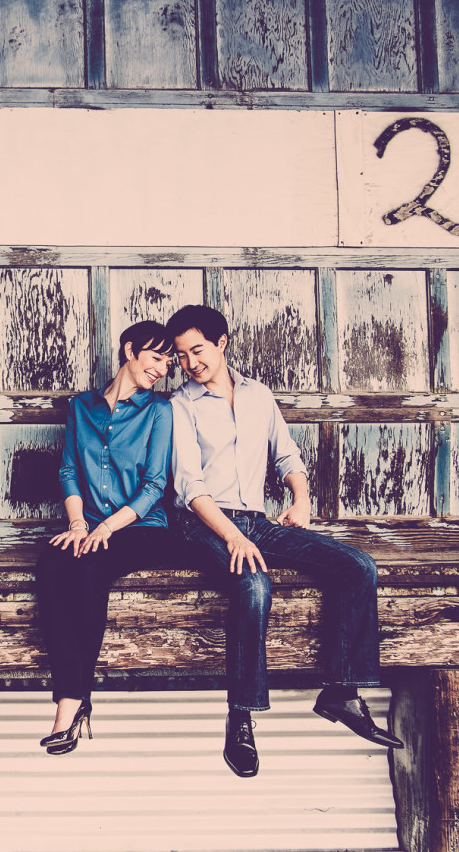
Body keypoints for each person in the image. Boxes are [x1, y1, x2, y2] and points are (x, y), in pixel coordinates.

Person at [165, 304, 402, 778]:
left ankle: (341, 692)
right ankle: (242, 717)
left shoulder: (258, 395)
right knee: (254, 586)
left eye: (198, 350)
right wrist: (232, 536)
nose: (191, 363)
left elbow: (286, 454)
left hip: (256, 519)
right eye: (181, 355)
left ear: (222, 342)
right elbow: (189, 486)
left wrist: (301, 499)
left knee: (357, 566)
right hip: (202, 523)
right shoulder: (179, 405)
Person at [35, 320, 175, 755]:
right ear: (130, 350)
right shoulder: (82, 407)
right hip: (89, 522)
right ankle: (72, 704)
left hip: (140, 527)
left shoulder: (159, 411)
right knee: (53, 563)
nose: (163, 369)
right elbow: (69, 469)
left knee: (90, 570)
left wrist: (105, 529)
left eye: (169, 362)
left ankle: (72, 702)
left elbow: (154, 485)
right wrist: (78, 525)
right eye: (156, 358)